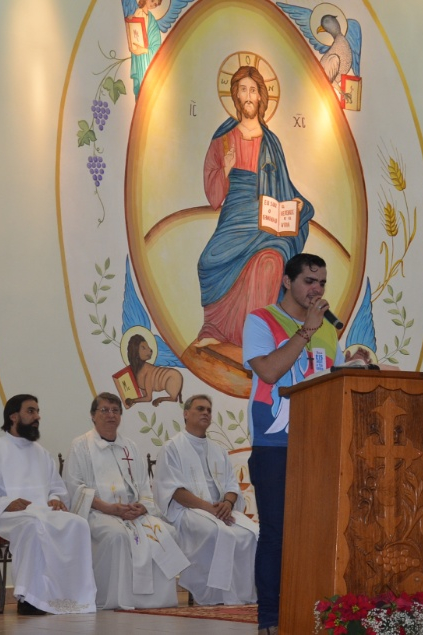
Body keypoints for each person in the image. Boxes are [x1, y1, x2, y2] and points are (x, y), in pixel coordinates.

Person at [242, 253, 344, 634]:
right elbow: (268, 370)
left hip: (319, 444)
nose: (316, 290)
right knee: (276, 532)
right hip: (275, 443)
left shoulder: (329, 330)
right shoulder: (261, 320)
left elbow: (331, 383)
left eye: (322, 283)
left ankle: (310, 610)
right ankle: (270, 617)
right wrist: (304, 331)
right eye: (309, 281)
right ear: (287, 282)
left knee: (317, 533)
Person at [196, 65, 315, 348]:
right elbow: (214, 196)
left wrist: (299, 204)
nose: (248, 96)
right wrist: (224, 169)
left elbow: (284, 185)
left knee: (272, 261)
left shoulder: (272, 142)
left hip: (267, 220)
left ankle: (258, 340)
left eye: (253, 90)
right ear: (235, 95)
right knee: (208, 261)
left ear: (261, 97)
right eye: (242, 90)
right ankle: (216, 328)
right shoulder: (223, 138)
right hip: (236, 213)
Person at [0, 394, 96, 615]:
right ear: (13, 416)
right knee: (32, 527)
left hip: (41, 511)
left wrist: (56, 499)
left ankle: (69, 596)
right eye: (31, 411)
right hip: (5, 516)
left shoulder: (42, 453)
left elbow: (57, 487)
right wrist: (7, 503)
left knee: (78, 524)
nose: (37, 416)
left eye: (37, 411)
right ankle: (28, 598)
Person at [63, 392, 189, 610]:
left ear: (120, 416)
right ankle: (114, 599)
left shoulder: (129, 446)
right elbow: (76, 488)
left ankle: (157, 601)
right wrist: (109, 508)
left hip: (133, 513)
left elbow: (143, 485)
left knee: (167, 533)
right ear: (93, 415)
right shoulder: (80, 446)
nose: (110, 415)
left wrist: (142, 506)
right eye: (104, 410)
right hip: (99, 513)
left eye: (115, 410)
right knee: (117, 536)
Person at [153, 395, 258, 606]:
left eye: (209, 410)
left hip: (219, 510)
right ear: (186, 414)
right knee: (216, 532)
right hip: (187, 511)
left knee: (253, 533)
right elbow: (174, 491)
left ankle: (243, 595)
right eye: (200, 409)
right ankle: (214, 595)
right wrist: (209, 508)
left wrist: (227, 504)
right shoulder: (172, 448)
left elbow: (231, 485)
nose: (206, 413)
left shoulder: (218, 449)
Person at [122, 0, 162, 99]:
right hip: (137, 57)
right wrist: (128, 22)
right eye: (152, 1)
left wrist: (144, 50)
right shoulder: (135, 12)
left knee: (146, 89)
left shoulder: (152, 21)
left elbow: (157, 45)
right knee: (139, 90)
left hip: (146, 58)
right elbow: (130, 32)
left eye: (155, 4)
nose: (152, 5)